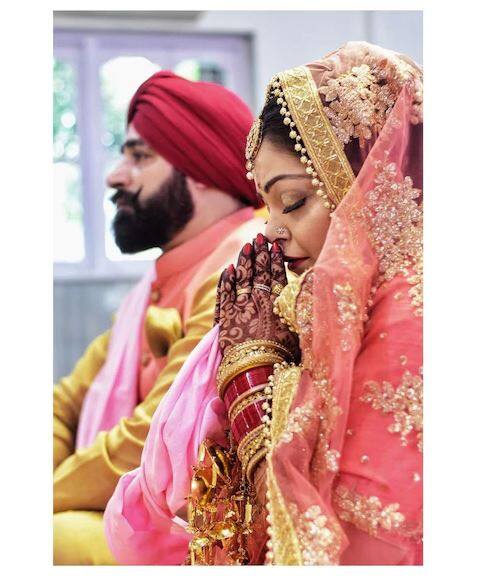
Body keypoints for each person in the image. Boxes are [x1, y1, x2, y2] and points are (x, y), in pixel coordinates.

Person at [104, 42, 423, 565]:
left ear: (368, 186)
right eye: (269, 205)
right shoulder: (307, 295)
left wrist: (250, 372)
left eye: (293, 202)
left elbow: (334, 543)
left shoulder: (411, 312)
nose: (271, 230)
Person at [53, 70, 265, 565]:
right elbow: (67, 403)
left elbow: (154, 437)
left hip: (200, 527)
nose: (115, 176)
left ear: (201, 168)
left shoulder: (245, 266)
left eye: (140, 157)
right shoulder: (154, 283)